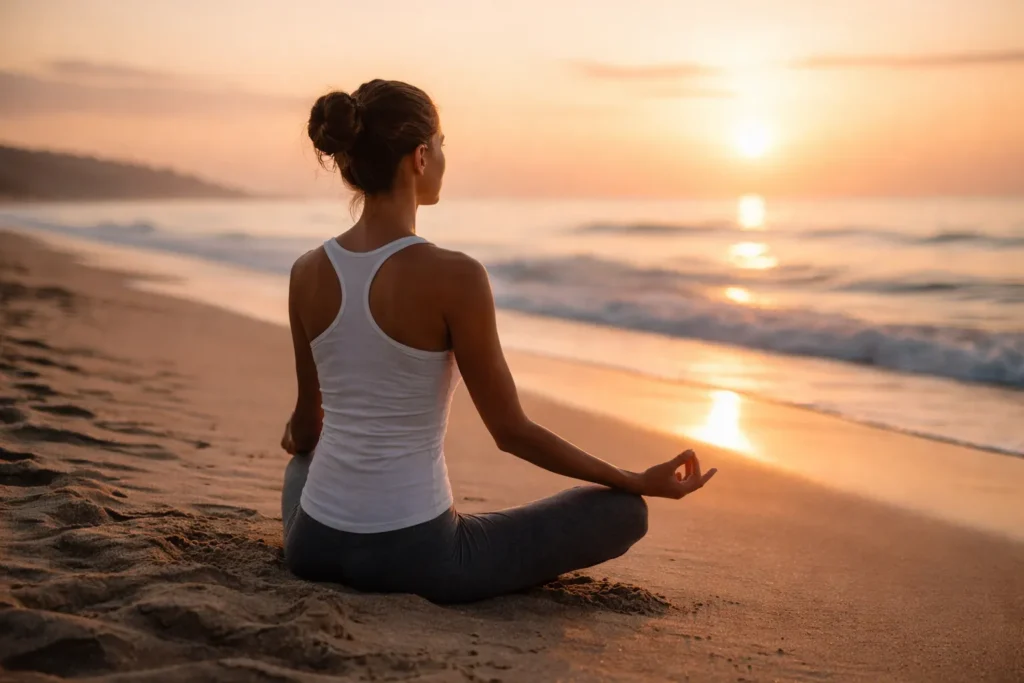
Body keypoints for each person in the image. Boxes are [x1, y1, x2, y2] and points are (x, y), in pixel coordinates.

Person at [280, 79, 717, 604]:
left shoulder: (306, 271)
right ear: (420, 156)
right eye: (442, 145)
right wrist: (633, 479)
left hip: (313, 548)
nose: (443, 157)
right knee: (623, 511)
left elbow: (306, 427)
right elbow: (511, 432)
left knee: (305, 464)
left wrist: (309, 447)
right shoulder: (456, 276)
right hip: (419, 557)